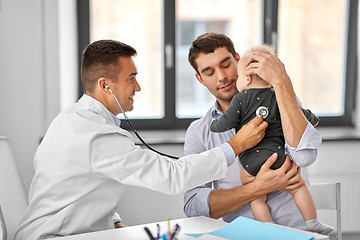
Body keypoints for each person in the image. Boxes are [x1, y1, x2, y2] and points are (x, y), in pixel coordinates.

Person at [15, 39, 268, 240]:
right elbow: (172, 177)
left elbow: (77, 187)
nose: (137, 87)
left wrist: (112, 222)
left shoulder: (69, 120)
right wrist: (236, 146)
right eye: (130, 78)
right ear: (105, 85)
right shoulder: (97, 136)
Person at [183, 32, 322, 231]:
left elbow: (305, 154)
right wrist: (257, 188)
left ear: (238, 60)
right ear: (200, 78)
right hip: (242, 235)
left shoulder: (283, 100)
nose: (222, 77)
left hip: (297, 232)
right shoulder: (199, 132)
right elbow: (194, 206)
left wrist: (281, 82)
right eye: (209, 72)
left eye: (225, 64)